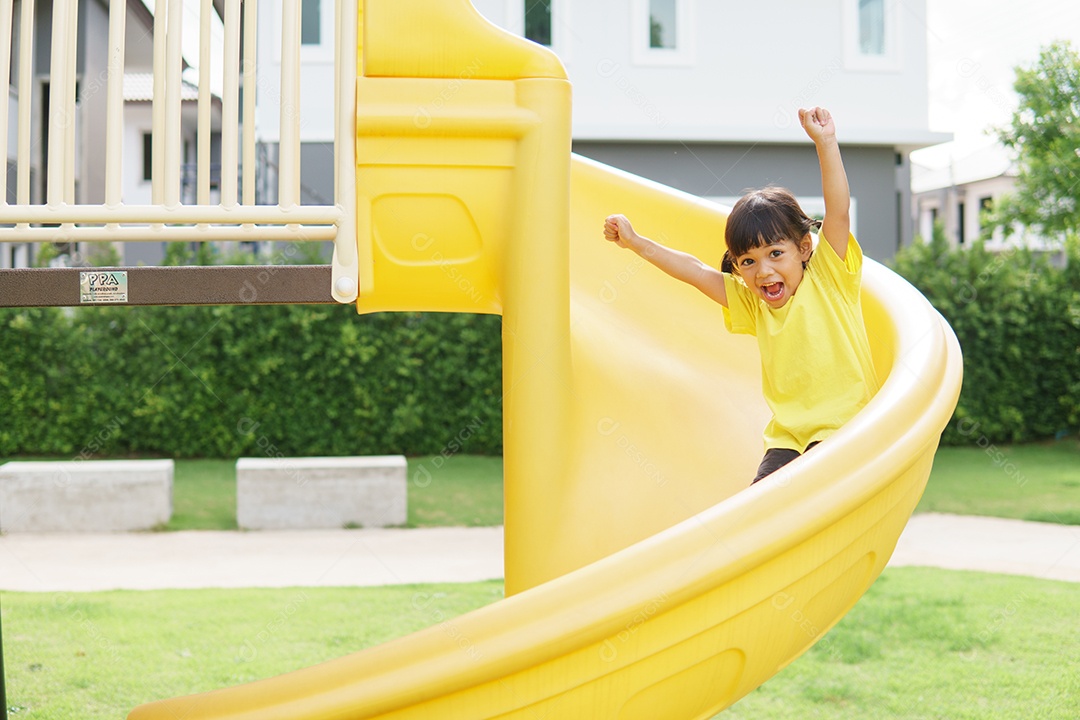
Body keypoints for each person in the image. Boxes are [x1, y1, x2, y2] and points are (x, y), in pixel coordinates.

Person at [603, 107, 879, 484]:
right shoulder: (753, 302)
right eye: (747, 261)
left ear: (803, 248)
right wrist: (636, 244)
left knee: (812, 495)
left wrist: (826, 142)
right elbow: (696, 272)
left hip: (843, 429)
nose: (763, 271)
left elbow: (838, 212)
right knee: (762, 504)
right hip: (787, 439)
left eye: (775, 254)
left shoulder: (828, 278)